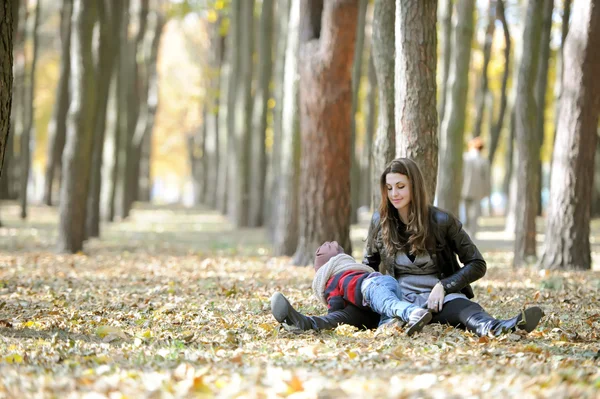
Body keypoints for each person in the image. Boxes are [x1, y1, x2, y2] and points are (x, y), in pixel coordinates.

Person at [272, 158, 544, 337]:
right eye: (389, 188)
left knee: (468, 312)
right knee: (349, 316)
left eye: (400, 186)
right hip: (396, 299)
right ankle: (303, 323)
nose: (394, 194)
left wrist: (444, 286)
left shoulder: (442, 221)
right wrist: (361, 293)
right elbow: (369, 264)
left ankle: (502, 328)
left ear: (415, 186)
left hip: (439, 298)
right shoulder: (380, 222)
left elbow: (478, 264)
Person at [272, 241, 433, 336]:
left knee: (388, 304)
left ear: (322, 273)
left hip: (371, 288)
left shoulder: (333, 281)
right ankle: (303, 323)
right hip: (376, 296)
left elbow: (335, 305)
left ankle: (413, 312)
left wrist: (334, 313)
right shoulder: (353, 272)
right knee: (386, 312)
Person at [461, 136, 491, 236]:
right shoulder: (483, 161)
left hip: (463, 189)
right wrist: (487, 192)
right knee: (474, 214)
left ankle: (464, 230)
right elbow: (486, 178)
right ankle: (472, 233)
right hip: (478, 190)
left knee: (464, 212)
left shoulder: (465, 157)